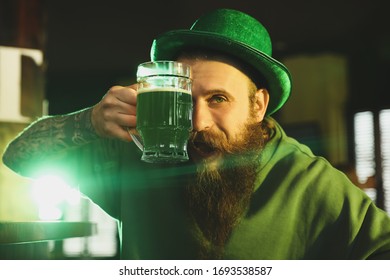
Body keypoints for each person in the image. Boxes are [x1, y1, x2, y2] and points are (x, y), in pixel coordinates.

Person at [3, 8, 390, 260]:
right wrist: (86, 122)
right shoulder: (138, 154)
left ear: (258, 105)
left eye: (218, 98)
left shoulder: (306, 179)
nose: (198, 122)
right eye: (186, 100)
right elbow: (18, 155)